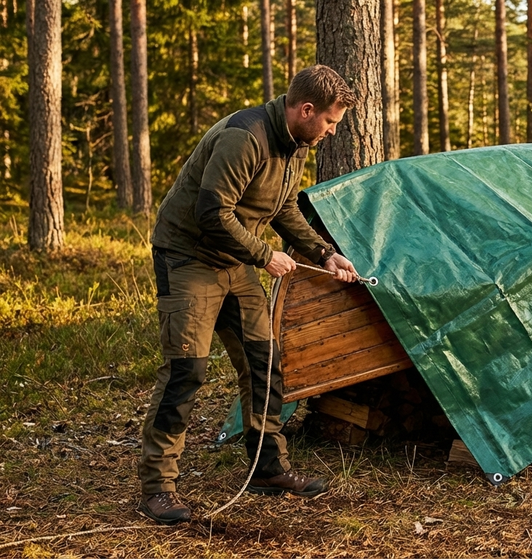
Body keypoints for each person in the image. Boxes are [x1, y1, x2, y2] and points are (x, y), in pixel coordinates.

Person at [138, 65, 360, 525]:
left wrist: (324, 254)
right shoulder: (246, 137)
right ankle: (158, 486)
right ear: (306, 109)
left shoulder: (296, 143)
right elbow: (212, 212)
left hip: (234, 261)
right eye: (330, 121)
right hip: (188, 257)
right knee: (186, 370)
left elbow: (283, 207)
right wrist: (263, 255)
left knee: (264, 361)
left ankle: (267, 468)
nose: (332, 131)